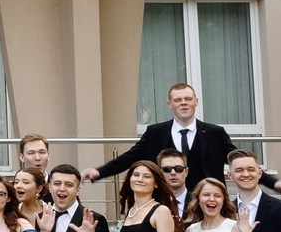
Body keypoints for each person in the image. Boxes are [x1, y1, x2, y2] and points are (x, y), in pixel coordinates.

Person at [89, 82, 235, 194]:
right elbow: (130, 157)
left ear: (196, 102)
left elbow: (238, 161)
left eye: (188, 99)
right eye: (178, 100)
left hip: (206, 201)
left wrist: (257, 178)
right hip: (164, 201)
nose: (183, 103)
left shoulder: (215, 133)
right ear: (169, 104)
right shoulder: (155, 132)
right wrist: (100, 172)